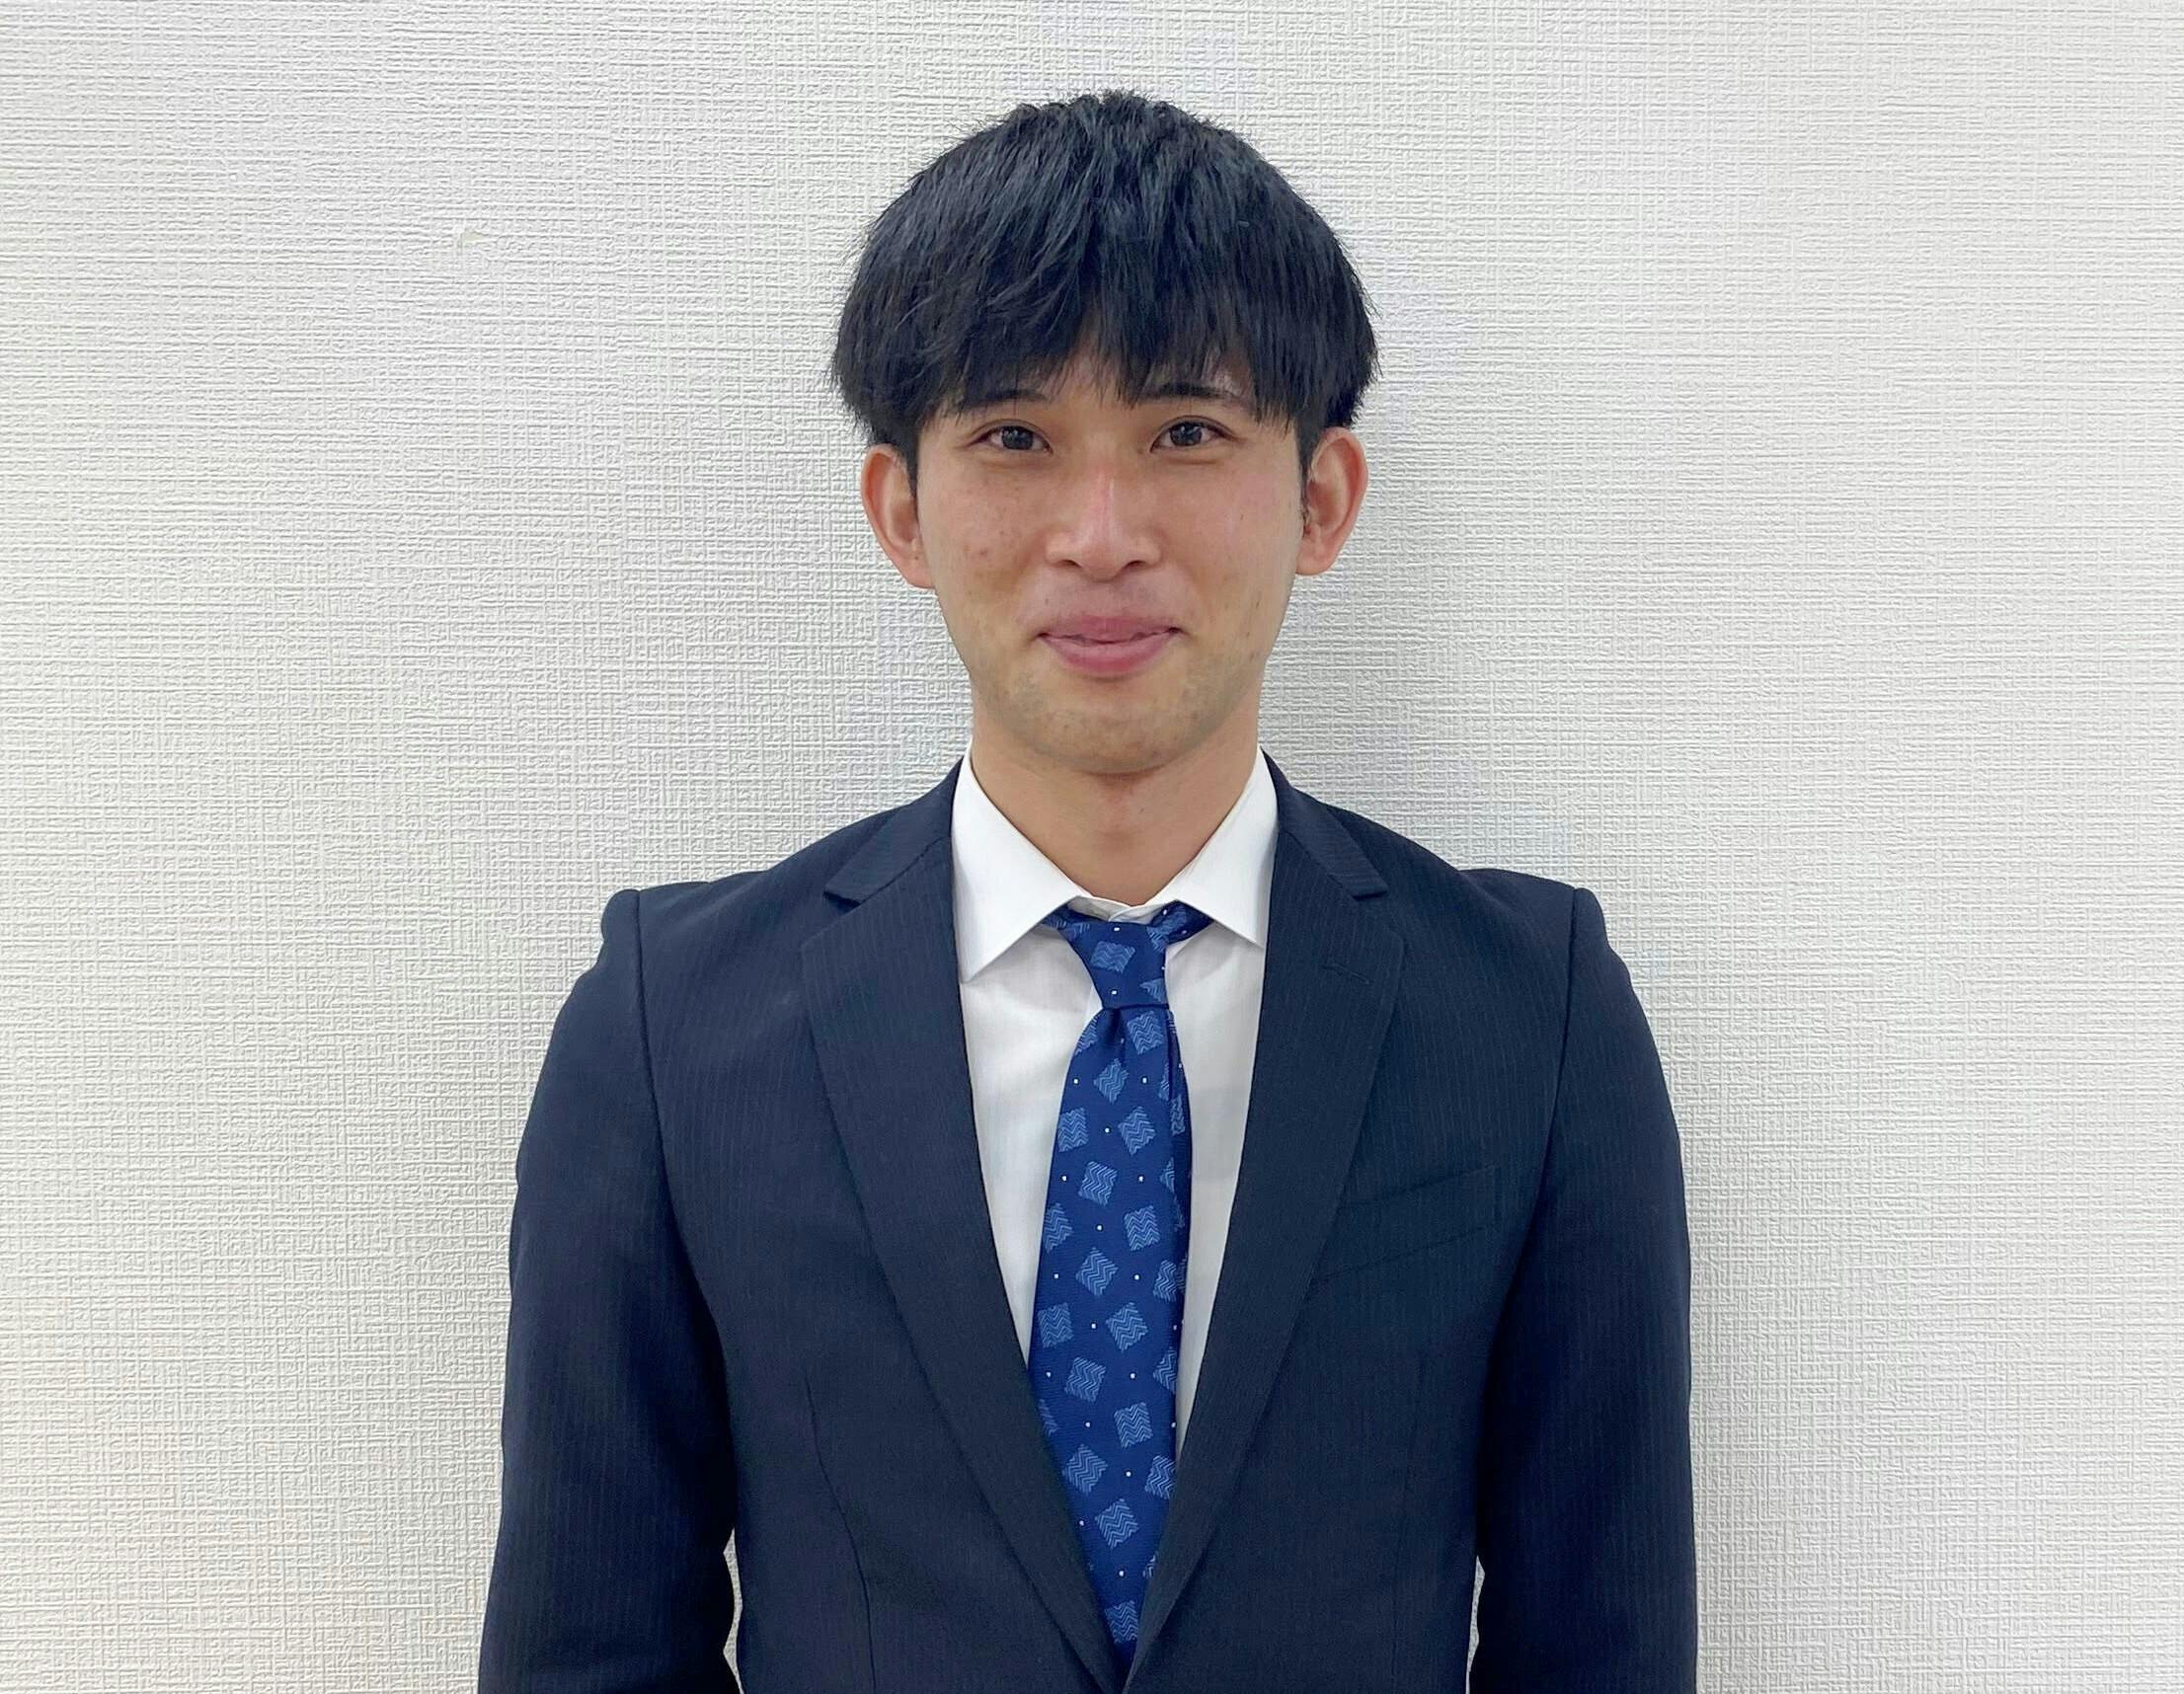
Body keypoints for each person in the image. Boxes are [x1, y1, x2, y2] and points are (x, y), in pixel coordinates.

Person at [477, 88, 1695, 1694]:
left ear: (1322, 498)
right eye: (1014, 439)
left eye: (1187, 433)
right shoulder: (673, 1026)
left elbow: (1602, 1647)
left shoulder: (1529, 1016)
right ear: (901, 510)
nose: (1102, 535)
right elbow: (584, 1654)